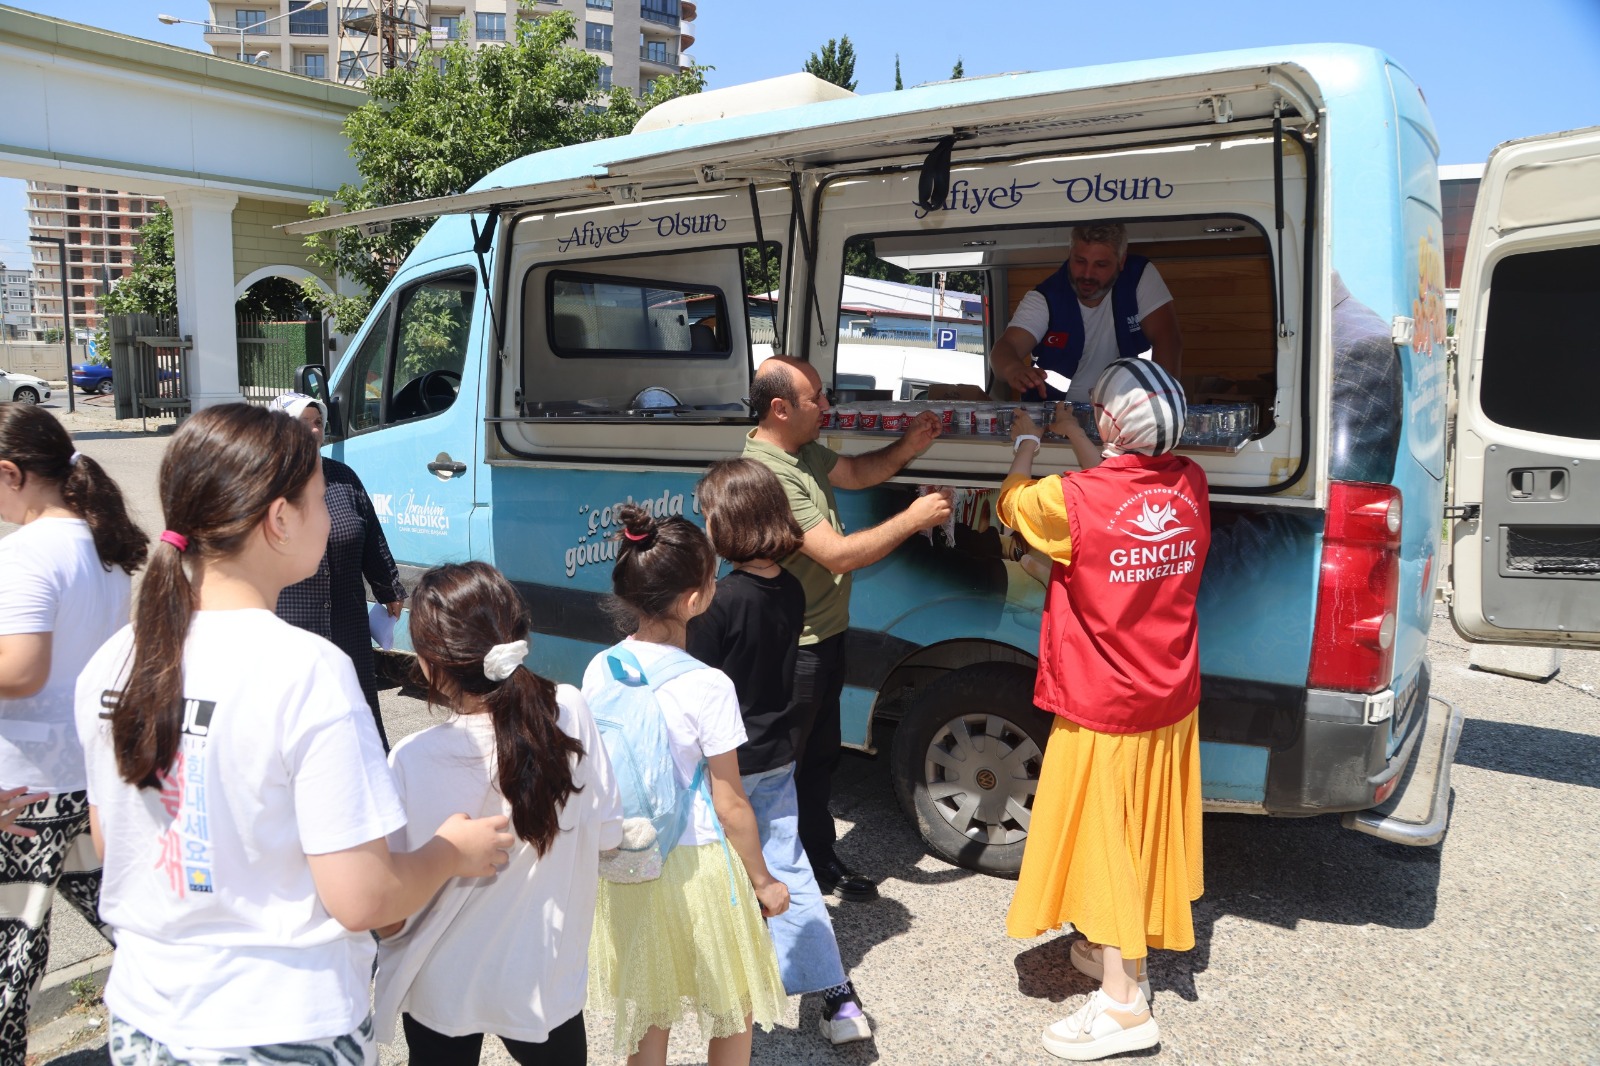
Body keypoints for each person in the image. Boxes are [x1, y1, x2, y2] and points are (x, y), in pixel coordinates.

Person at [74, 403, 511, 1065]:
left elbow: (118, 838)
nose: (332, 518)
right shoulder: (307, 672)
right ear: (280, 520)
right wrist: (451, 851)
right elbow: (365, 898)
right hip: (279, 1026)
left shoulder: (115, 663)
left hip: (145, 1021)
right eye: (317, 500)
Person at [1000, 359, 1209, 1061]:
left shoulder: (1068, 500)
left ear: (1111, 423)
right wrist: (1080, 438)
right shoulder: (1189, 485)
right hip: (1168, 700)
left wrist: (1031, 441)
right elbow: (1114, 495)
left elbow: (1014, 504)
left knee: (1108, 845)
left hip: (1104, 706)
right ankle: (1128, 961)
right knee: (1142, 836)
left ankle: (1123, 1008)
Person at [374, 561, 621, 1065]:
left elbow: (391, 919)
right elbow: (608, 838)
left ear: (431, 665)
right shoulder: (570, 711)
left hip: (438, 983)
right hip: (542, 980)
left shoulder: (412, 760)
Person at [583, 505, 789, 1066]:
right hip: (698, 861)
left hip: (633, 855)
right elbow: (730, 802)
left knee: (650, 1010)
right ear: (697, 599)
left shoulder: (602, 667)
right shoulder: (709, 685)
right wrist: (764, 880)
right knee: (732, 1003)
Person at [743, 355, 951, 902]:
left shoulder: (801, 449)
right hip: (796, 647)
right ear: (781, 408)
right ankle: (774, 878)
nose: (828, 406)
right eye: (818, 398)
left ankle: (817, 859)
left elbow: (855, 473)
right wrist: (914, 518)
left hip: (825, 635)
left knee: (818, 760)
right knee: (782, 768)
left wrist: (908, 447)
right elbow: (835, 555)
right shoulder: (767, 474)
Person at [686, 458, 872, 1046]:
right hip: (777, 750)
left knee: (727, 865)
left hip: (726, 761)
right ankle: (838, 1000)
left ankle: (730, 977)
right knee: (786, 863)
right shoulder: (789, 589)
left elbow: (695, 681)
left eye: (707, 515)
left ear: (726, 525)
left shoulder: (717, 603)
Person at [0, 405, 145, 1065]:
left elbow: (22, 671)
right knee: (131, 921)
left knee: (10, 954)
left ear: (11, 473)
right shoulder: (102, 543)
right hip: (88, 777)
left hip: (22, 789)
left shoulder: (26, 554)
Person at [272, 391, 404, 748]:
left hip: (347, 622)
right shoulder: (264, 484)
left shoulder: (343, 478)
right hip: (293, 623)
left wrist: (388, 586)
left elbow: (371, 534)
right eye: (304, 423)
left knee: (356, 713)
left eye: (318, 423)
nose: (314, 431)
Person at [987, 224, 1183, 403]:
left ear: (1121, 261)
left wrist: (1161, 406)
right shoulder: (1045, 297)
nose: (1088, 274)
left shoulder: (1139, 275)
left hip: (1126, 417)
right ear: (1070, 254)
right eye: (1080, 261)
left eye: (1100, 265)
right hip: (1055, 421)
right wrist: (1013, 369)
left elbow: (1168, 339)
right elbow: (1006, 347)